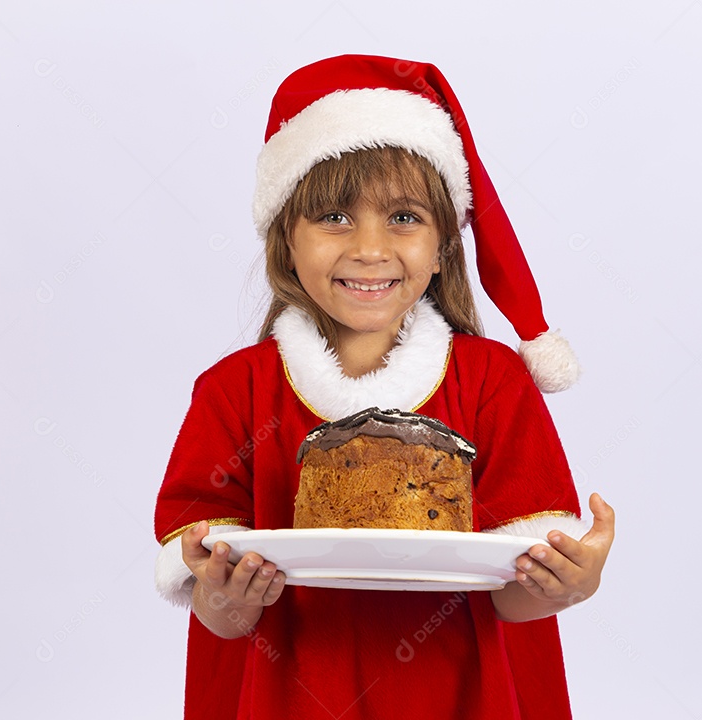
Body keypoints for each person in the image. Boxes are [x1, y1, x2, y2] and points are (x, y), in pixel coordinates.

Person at [154, 54, 615, 720]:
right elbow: (215, 606)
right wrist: (228, 595)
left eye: (403, 218)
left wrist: (566, 582)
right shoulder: (234, 393)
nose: (370, 249)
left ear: (443, 245)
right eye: (334, 218)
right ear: (286, 236)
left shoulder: (492, 383)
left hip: (458, 693)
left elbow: (516, 593)